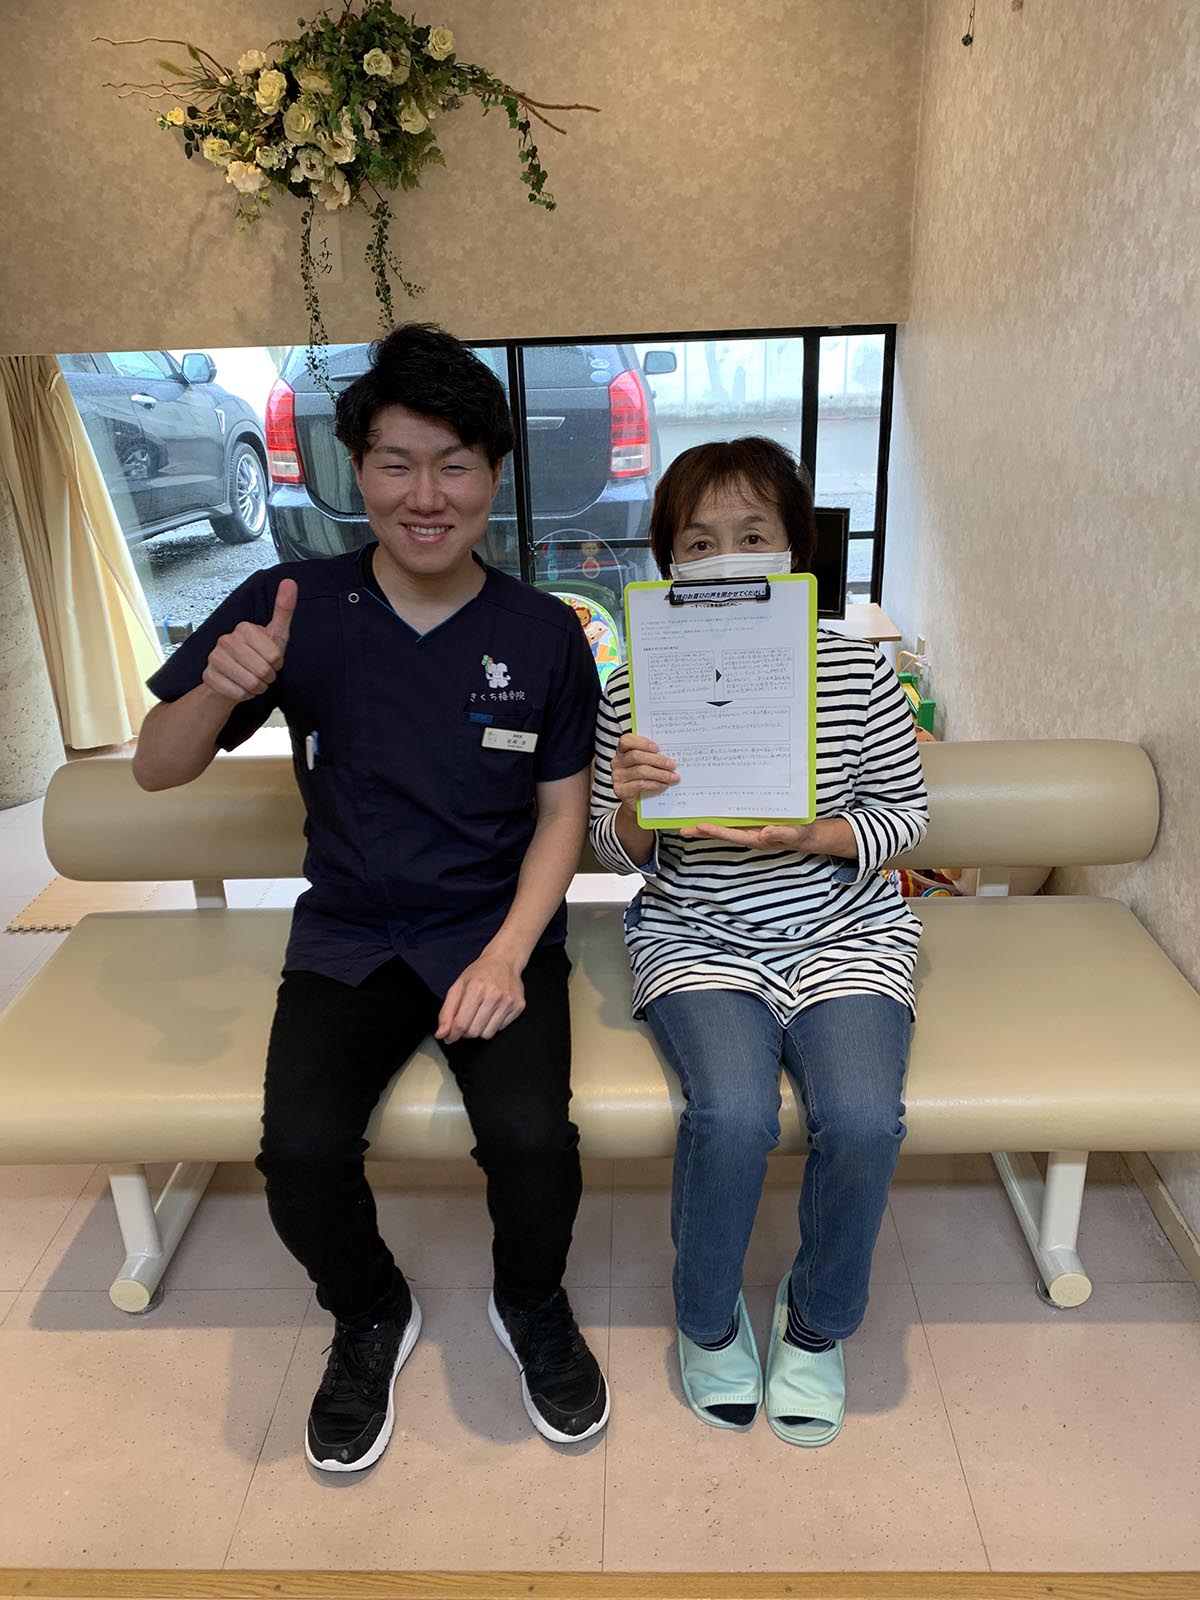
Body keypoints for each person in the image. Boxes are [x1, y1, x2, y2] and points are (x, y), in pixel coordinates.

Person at [133, 323, 609, 1472]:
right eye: (397, 463)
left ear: (493, 472)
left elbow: (562, 815)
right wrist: (218, 692)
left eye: (454, 464)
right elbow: (154, 766)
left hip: (491, 930)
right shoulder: (289, 601)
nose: (425, 495)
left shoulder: (544, 635)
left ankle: (530, 1300)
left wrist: (507, 954)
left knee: (534, 1143)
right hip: (349, 932)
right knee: (298, 1155)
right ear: (357, 468)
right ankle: (369, 1310)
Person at [589, 437, 928, 1446]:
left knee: (862, 1119)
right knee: (732, 1115)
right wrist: (635, 807)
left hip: (845, 932)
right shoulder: (634, 685)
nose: (726, 557)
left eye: (752, 534)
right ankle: (705, 1318)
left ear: (794, 549)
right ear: (668, 560)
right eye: (698, 542)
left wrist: (809, 834)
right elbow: (610, 849)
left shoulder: (858, 669)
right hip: (698, 935)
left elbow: (905, 819)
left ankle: (817, 1323)